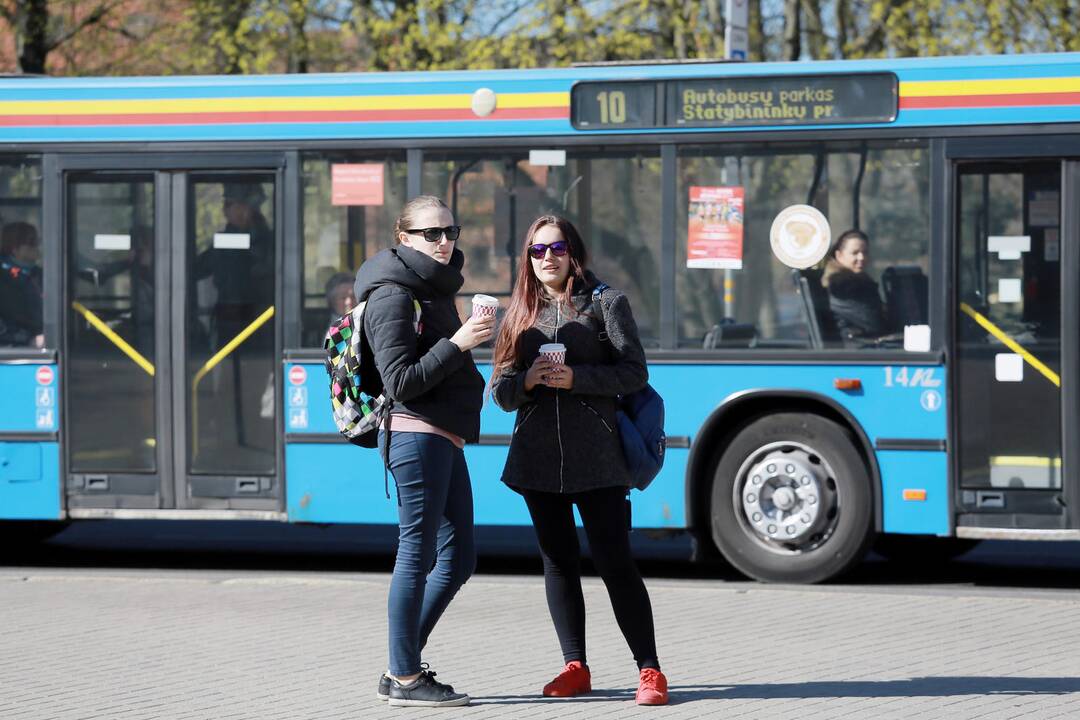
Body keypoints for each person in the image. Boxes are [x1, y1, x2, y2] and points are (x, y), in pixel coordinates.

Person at [490, 215, 670, 706]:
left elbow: (634, 373)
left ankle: (650, 670)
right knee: (559, 564)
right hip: (537, 460)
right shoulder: (518, 312)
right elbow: (500, 392)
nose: (547, 257)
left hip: (600, 457)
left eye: (557, 247)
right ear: (527, 258)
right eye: (537, 250)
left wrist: (578, 378)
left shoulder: (607, 302)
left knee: (615, 561)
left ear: (574, 252)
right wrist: (528, 381)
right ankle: (575, 666)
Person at [353, 195, 493, 708]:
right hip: (415, 434)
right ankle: (407, 677)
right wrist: (459, 342)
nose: (443, 242)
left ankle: (401, 665)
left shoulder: (431, 288)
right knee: (418, 553)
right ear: (404, 238)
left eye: (450, 231)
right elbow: (401, 381)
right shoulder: (393, 294)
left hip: (442, 434)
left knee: (459, 558)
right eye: (431, 234)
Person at [821, 228, 886, 343]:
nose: (861, 258)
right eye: (855, 253)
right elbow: (872, 323)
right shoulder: (840, 287)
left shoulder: (862, 282)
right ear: (839, 255)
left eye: (865, 252)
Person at [0, 221, 44, 348]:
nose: (37, 246)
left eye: (37, 241)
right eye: (32, 243)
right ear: (15, 249)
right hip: (13, 348)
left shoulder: (38, 274)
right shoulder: (3, 278)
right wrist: (29, 340)